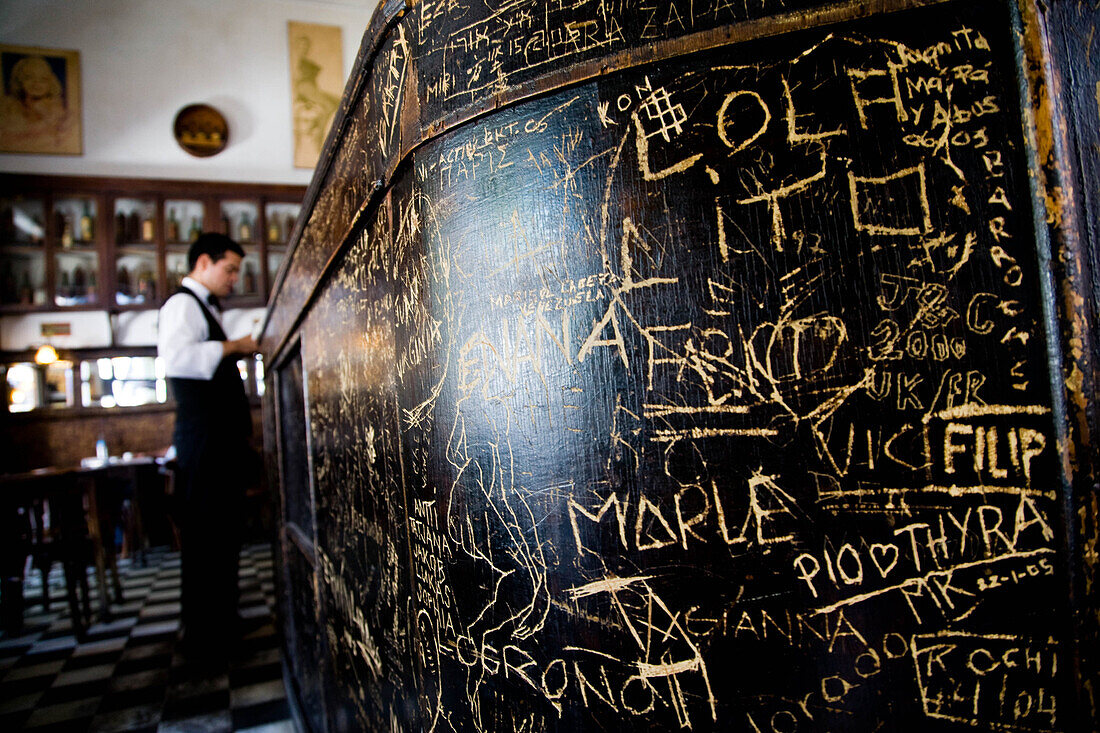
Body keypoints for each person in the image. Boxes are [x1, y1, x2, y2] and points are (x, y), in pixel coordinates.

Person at [157, 232, 257, 660]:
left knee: (223, 534)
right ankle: (202, 636)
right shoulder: (182, 304)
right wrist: (234, 346)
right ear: (202, 263)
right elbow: (177, 360)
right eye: (229, 269)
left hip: (219, 445)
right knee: (204, 537)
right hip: (203, 444)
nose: (235, 278)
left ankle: (221, 623)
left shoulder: (206, 307)